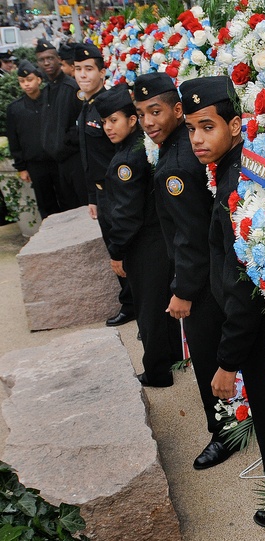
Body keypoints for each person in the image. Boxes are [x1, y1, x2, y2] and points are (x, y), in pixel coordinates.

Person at [179, 76, 265, 479]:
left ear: (236, 125)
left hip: (258, 335)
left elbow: (243, 283)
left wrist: (227, 362)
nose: (197, 139)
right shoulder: (230, 171)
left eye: (208, 126)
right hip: (257, 330)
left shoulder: (235, 187)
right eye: (191, 129)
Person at [134, 72, 227, 466]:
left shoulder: (176, 164)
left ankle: (222, 431)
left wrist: (183, 291)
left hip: (203, 281)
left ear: (176, 110)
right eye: (140, 114)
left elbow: (190, 237)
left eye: (155, 111)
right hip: (212, 271)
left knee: (207, 354)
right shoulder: (180, 149)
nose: (148, 122)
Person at [94, 84, 179, 387]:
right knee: (160, 305)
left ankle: (157, 372)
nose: (108, 127)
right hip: (155, 240)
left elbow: (127, 214)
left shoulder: (129, 159)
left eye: (113, 120)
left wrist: (116, 252)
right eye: (104, 122)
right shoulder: (138, 147)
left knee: (149, 311)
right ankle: (170, 361)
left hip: (143, 244)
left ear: (132, 120)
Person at [76, 42, 134, 327]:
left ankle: (135, 304)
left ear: (102, 72)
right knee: (115, 251)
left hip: (118, 191)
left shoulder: (112, 104)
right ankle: (131, 303)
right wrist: (91, 196)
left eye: (89, 69)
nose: (82, 75)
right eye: (77, 69)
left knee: (125, 251)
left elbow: (118, 154)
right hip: (101, 193)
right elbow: (88, 157)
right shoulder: (87, 107)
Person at [7, 61, 62, 219]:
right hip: (36, 164)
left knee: (67, 199)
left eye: (29, 80)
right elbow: (14, 139)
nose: (26, 84)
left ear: (38, 79)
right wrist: (21, 167)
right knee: (46, 204)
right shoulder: (15, 109)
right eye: (22, 81)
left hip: (57, 159)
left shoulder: (52, 100)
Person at [39, 41, 86, 212]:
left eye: (50, 58)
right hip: (58, 163)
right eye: (42, 60)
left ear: (59, 59)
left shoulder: (71, 87)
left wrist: (65, 142)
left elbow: (81, 121)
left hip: (75, 159)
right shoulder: (47, 90)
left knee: (83, 206)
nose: (46, 63)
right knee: (70, 208)